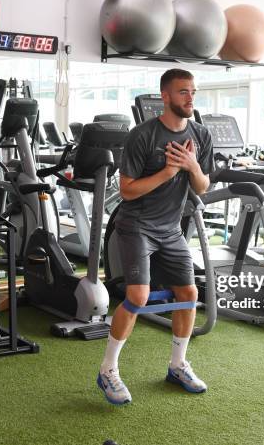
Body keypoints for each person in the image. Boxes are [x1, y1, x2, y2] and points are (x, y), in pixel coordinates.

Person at [97, 69, 214, 405]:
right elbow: (128, 192)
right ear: (165, 96)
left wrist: (192, 166)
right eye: (183, 92)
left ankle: (178, 365)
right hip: (136, 226)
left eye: (193, 92)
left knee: (189, 292)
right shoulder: (142, 136)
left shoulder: (201, 136)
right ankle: (108, 369)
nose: (190, 98)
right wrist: (168, 171)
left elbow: (202, 187)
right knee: (138, 295)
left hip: (170, 228)